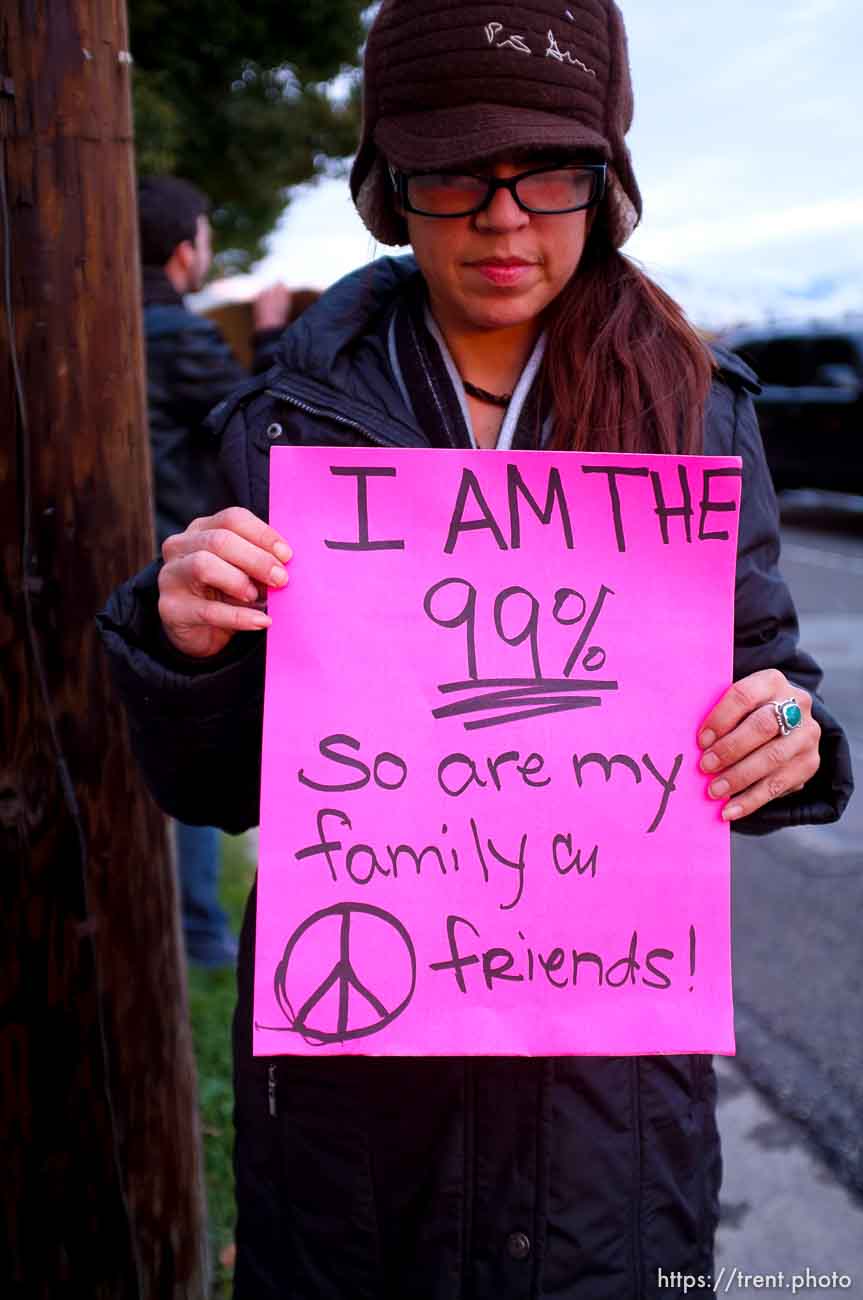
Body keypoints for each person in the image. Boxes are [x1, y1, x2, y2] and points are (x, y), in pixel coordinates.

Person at [101, 3, 853, 1295]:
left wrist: (784, 735)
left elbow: (772, 686)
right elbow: (220, 788)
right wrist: (186, 643)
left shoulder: (694, 408)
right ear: (388, 189)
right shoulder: (286, 420)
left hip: (604, 1102)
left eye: (546, 169)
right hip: (351, 1091)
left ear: (606, 180)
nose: (503, 218)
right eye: (451, 173)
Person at [138, 175, 291, 967]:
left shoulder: (101, 320)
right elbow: (258, 424)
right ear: (182, 251)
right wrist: (269, 332)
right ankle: (199, 933)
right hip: (174, 559)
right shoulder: (172, 330)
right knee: (192, 738)